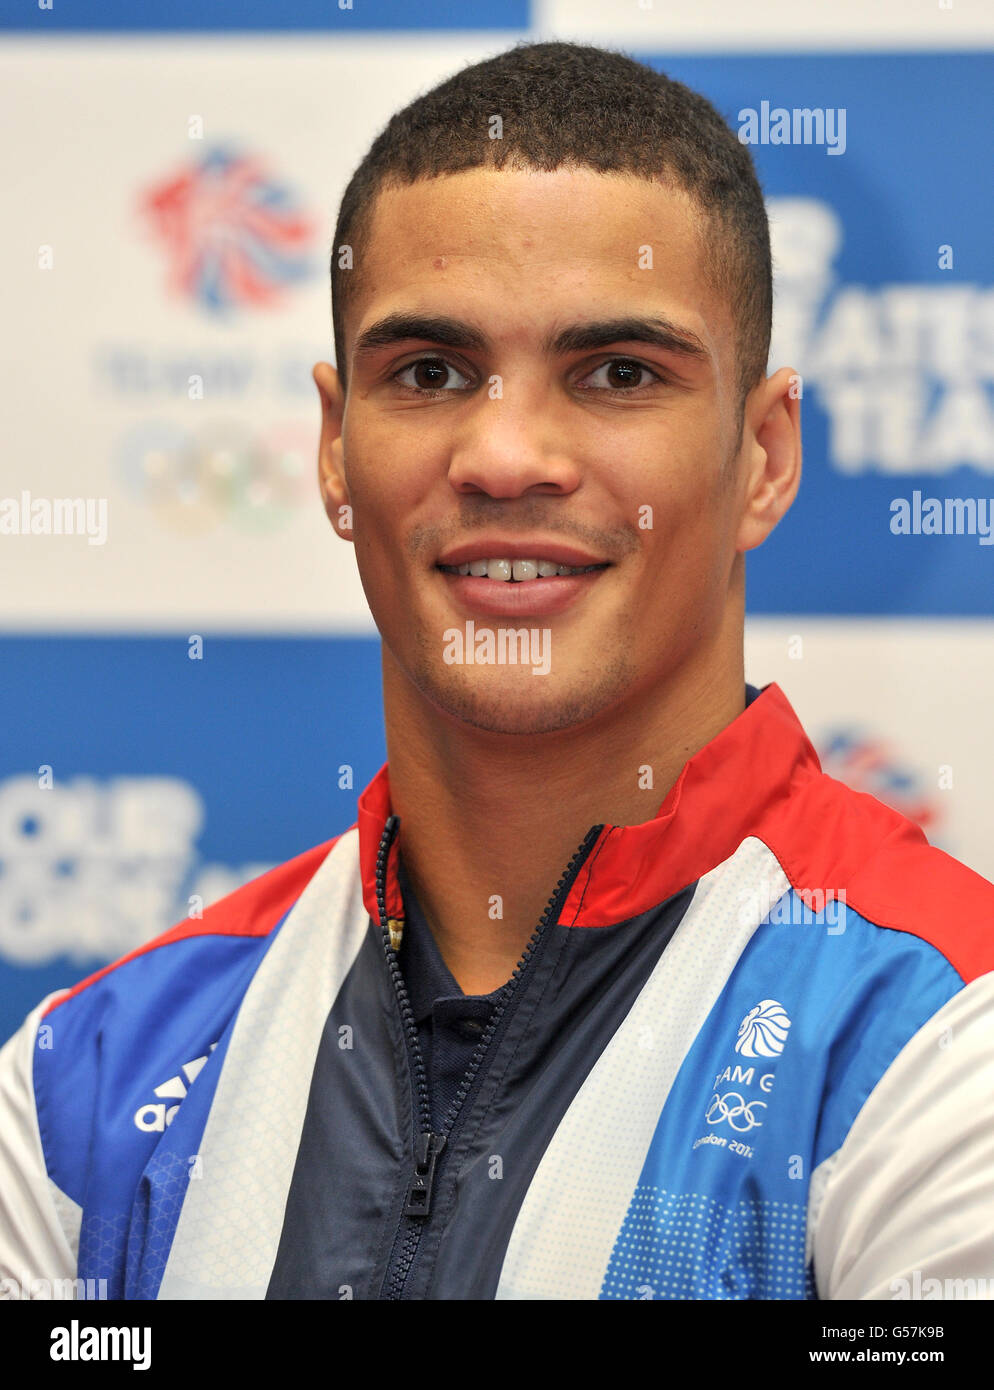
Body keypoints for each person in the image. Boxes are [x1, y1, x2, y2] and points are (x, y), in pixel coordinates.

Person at [2, 39, 993, 1303]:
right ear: (332, 448)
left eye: (619, 373)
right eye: (429, 372)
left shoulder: (943, 1034)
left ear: (763, 457)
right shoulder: (82, 1086)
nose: (507, 454)